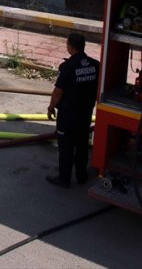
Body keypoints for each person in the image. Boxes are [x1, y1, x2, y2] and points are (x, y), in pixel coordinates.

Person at [46, 32, 100, 187]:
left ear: (70, 46)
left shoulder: (69, 67)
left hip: (68, 115)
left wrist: (51, 108)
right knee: (82, 144)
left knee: (66, 147)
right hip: (85, 114)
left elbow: (58, 91)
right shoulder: (95, 65)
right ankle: (82, 175)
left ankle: (64, 178)